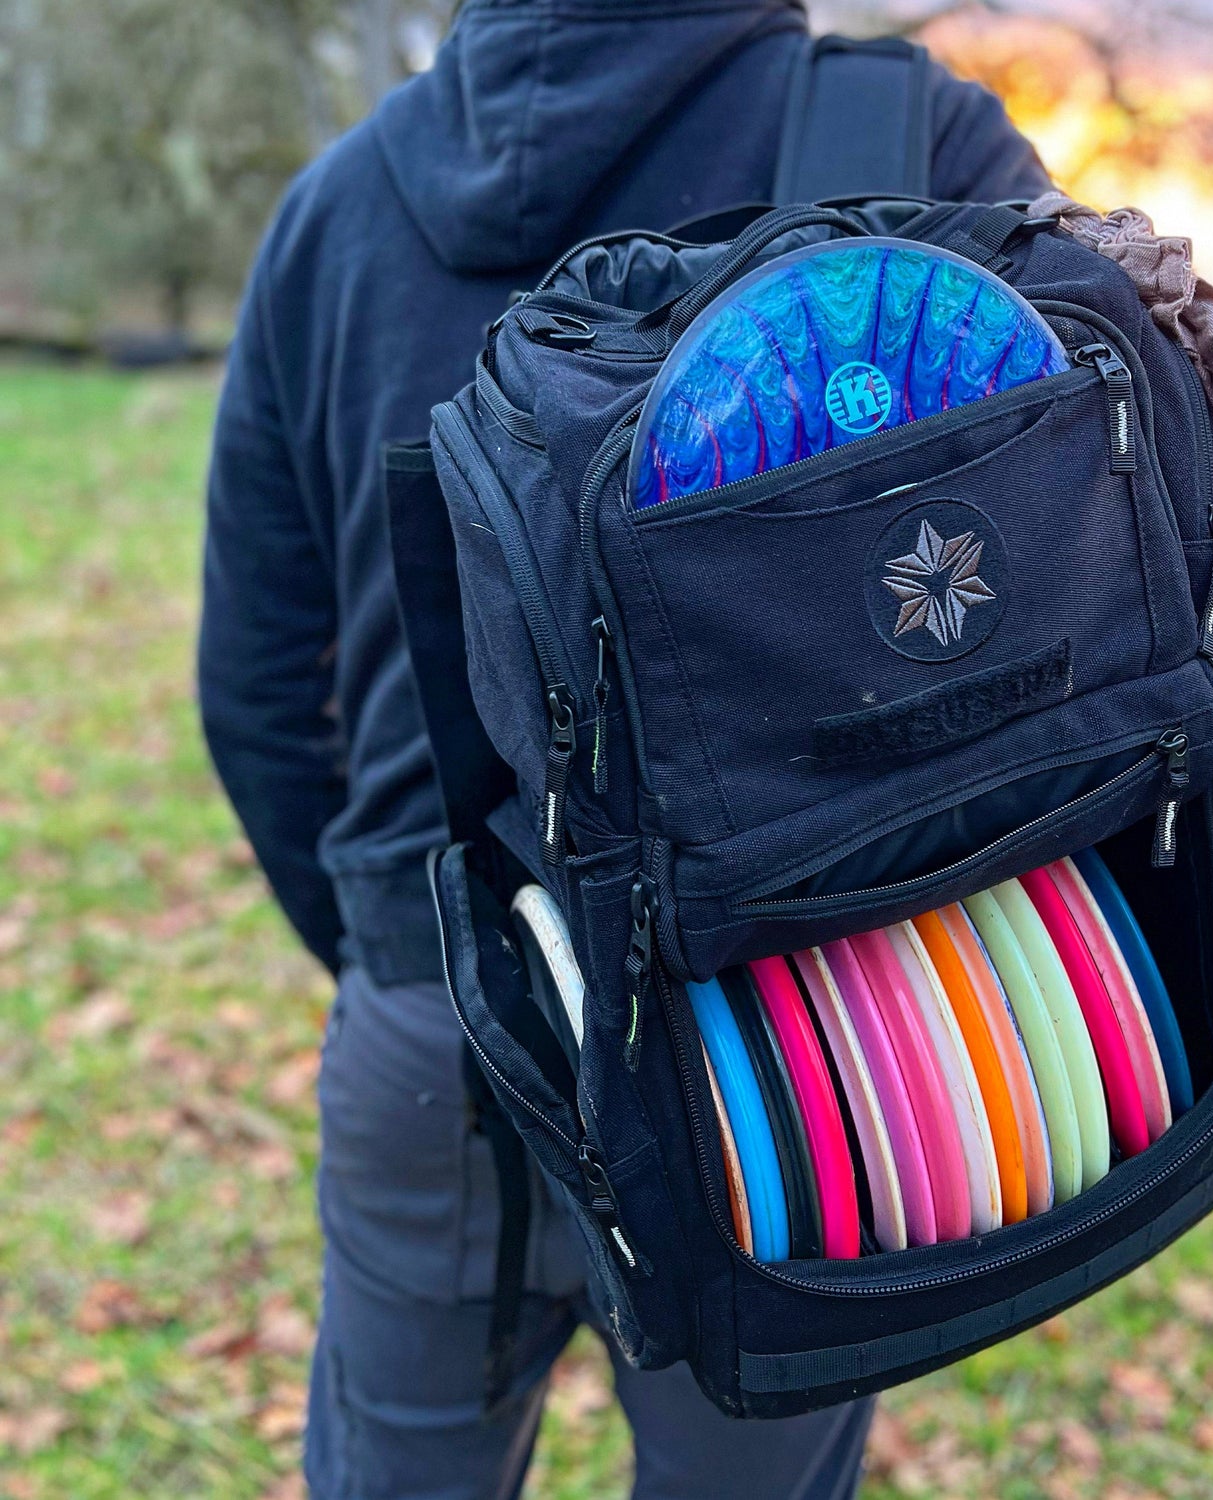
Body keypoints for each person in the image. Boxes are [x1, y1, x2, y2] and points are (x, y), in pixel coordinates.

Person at [199, 1, 1049, 1495]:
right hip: (809, 1029)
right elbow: (1077, 599)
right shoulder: (915, 144)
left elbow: (261, 687)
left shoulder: (332, 209)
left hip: (434, 1022)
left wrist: (405, 945)